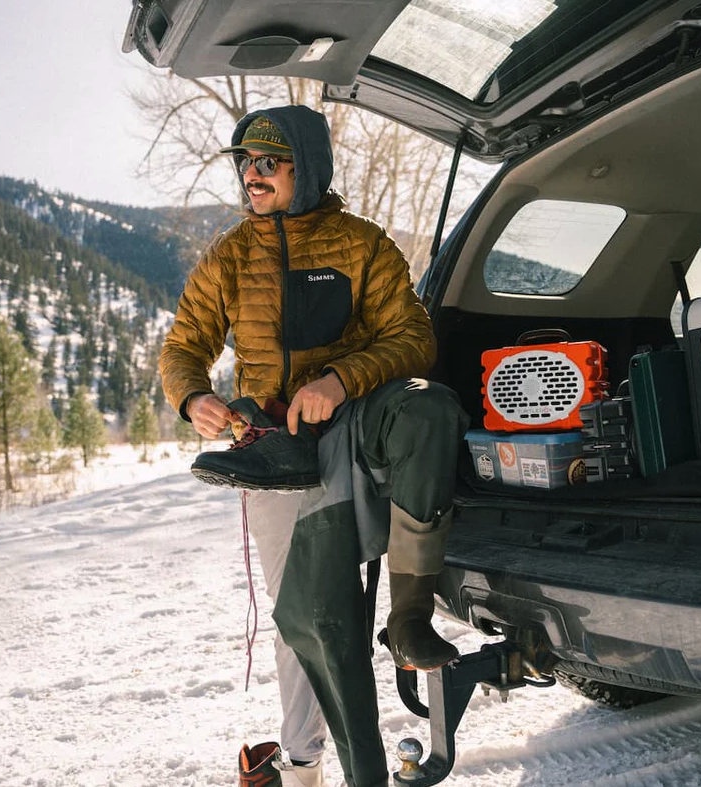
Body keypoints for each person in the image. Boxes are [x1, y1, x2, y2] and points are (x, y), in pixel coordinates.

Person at [160, 105, 469, 787]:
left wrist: (339, 378)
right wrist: (193, 397)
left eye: (269, 161)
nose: (252, 174)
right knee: (302, 619)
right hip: (274, 451)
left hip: (359, 429)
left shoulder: (363, 244)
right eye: (244, 163)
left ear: (308, 166)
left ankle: (410, 617)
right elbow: (182, 345)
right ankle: (304, 769)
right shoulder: (231, 255)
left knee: (428, 411)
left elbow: (414, 340)